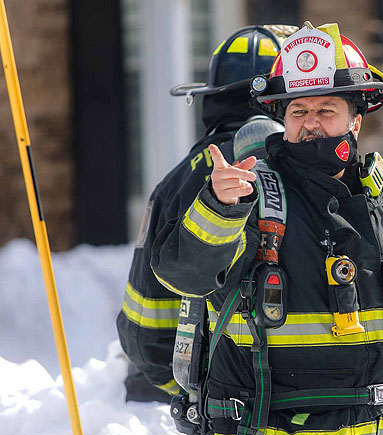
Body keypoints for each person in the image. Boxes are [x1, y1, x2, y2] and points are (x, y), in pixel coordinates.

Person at [150, 22, 383, 435]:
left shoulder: (382, 202)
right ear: (281, 119)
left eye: (326, 110)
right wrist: (218, 206)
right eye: (298, 111)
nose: (311, 124)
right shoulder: (249, 196)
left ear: (356, 121)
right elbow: (181, 274)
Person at [116, 25, 297, 403]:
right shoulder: (320, 168)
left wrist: (187, 392)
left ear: (211, 98)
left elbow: (145, 327)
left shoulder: (179, 181)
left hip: (218, 405)